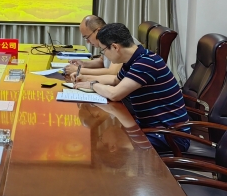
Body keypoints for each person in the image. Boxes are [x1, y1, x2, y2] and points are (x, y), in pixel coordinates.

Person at [73, 23, 190, 154]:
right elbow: (115, 80)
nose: (104, 54)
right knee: (121, 138)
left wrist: (92, 84)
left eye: (103, 50)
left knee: (123, 148)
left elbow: (115, 94)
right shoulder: (135, 59)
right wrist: (85, 78)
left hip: (170, 136)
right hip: (152, 128)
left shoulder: (146, 63)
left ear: (115, 47)